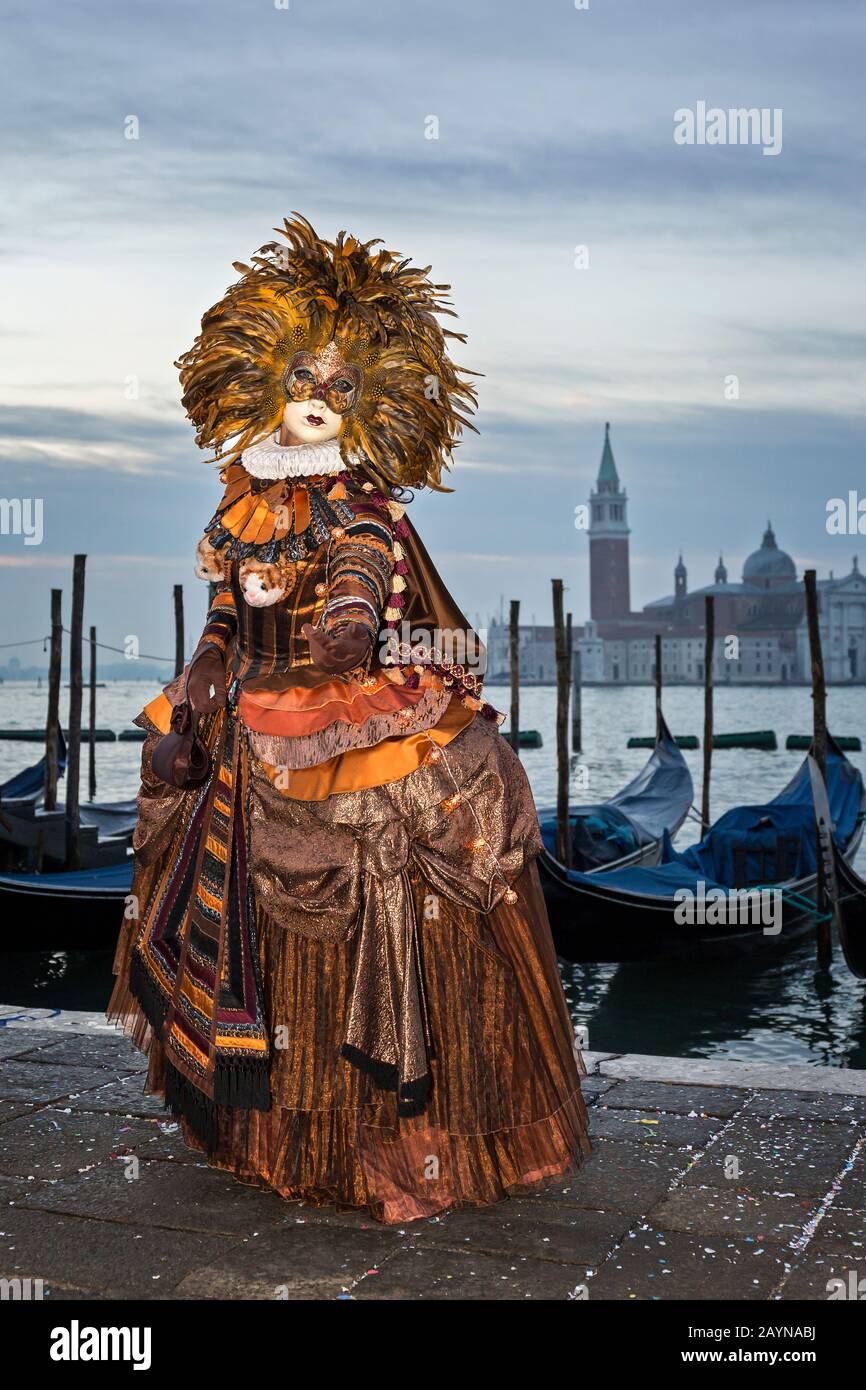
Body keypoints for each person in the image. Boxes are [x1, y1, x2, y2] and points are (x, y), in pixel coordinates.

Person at [108, 214, 590, 1223]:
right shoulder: (244, 501)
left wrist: (351, 618)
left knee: (387, 869)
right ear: (267, 384)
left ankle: (383, 1143)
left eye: (339, 392)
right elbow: (231, 607)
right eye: (304, 386)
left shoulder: (363, 502)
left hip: (344, 716)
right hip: (252, 724)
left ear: (364, 403)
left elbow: (367, 572)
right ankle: (261, 1129)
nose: (318, 404)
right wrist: (203, 663)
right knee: (227, 909)